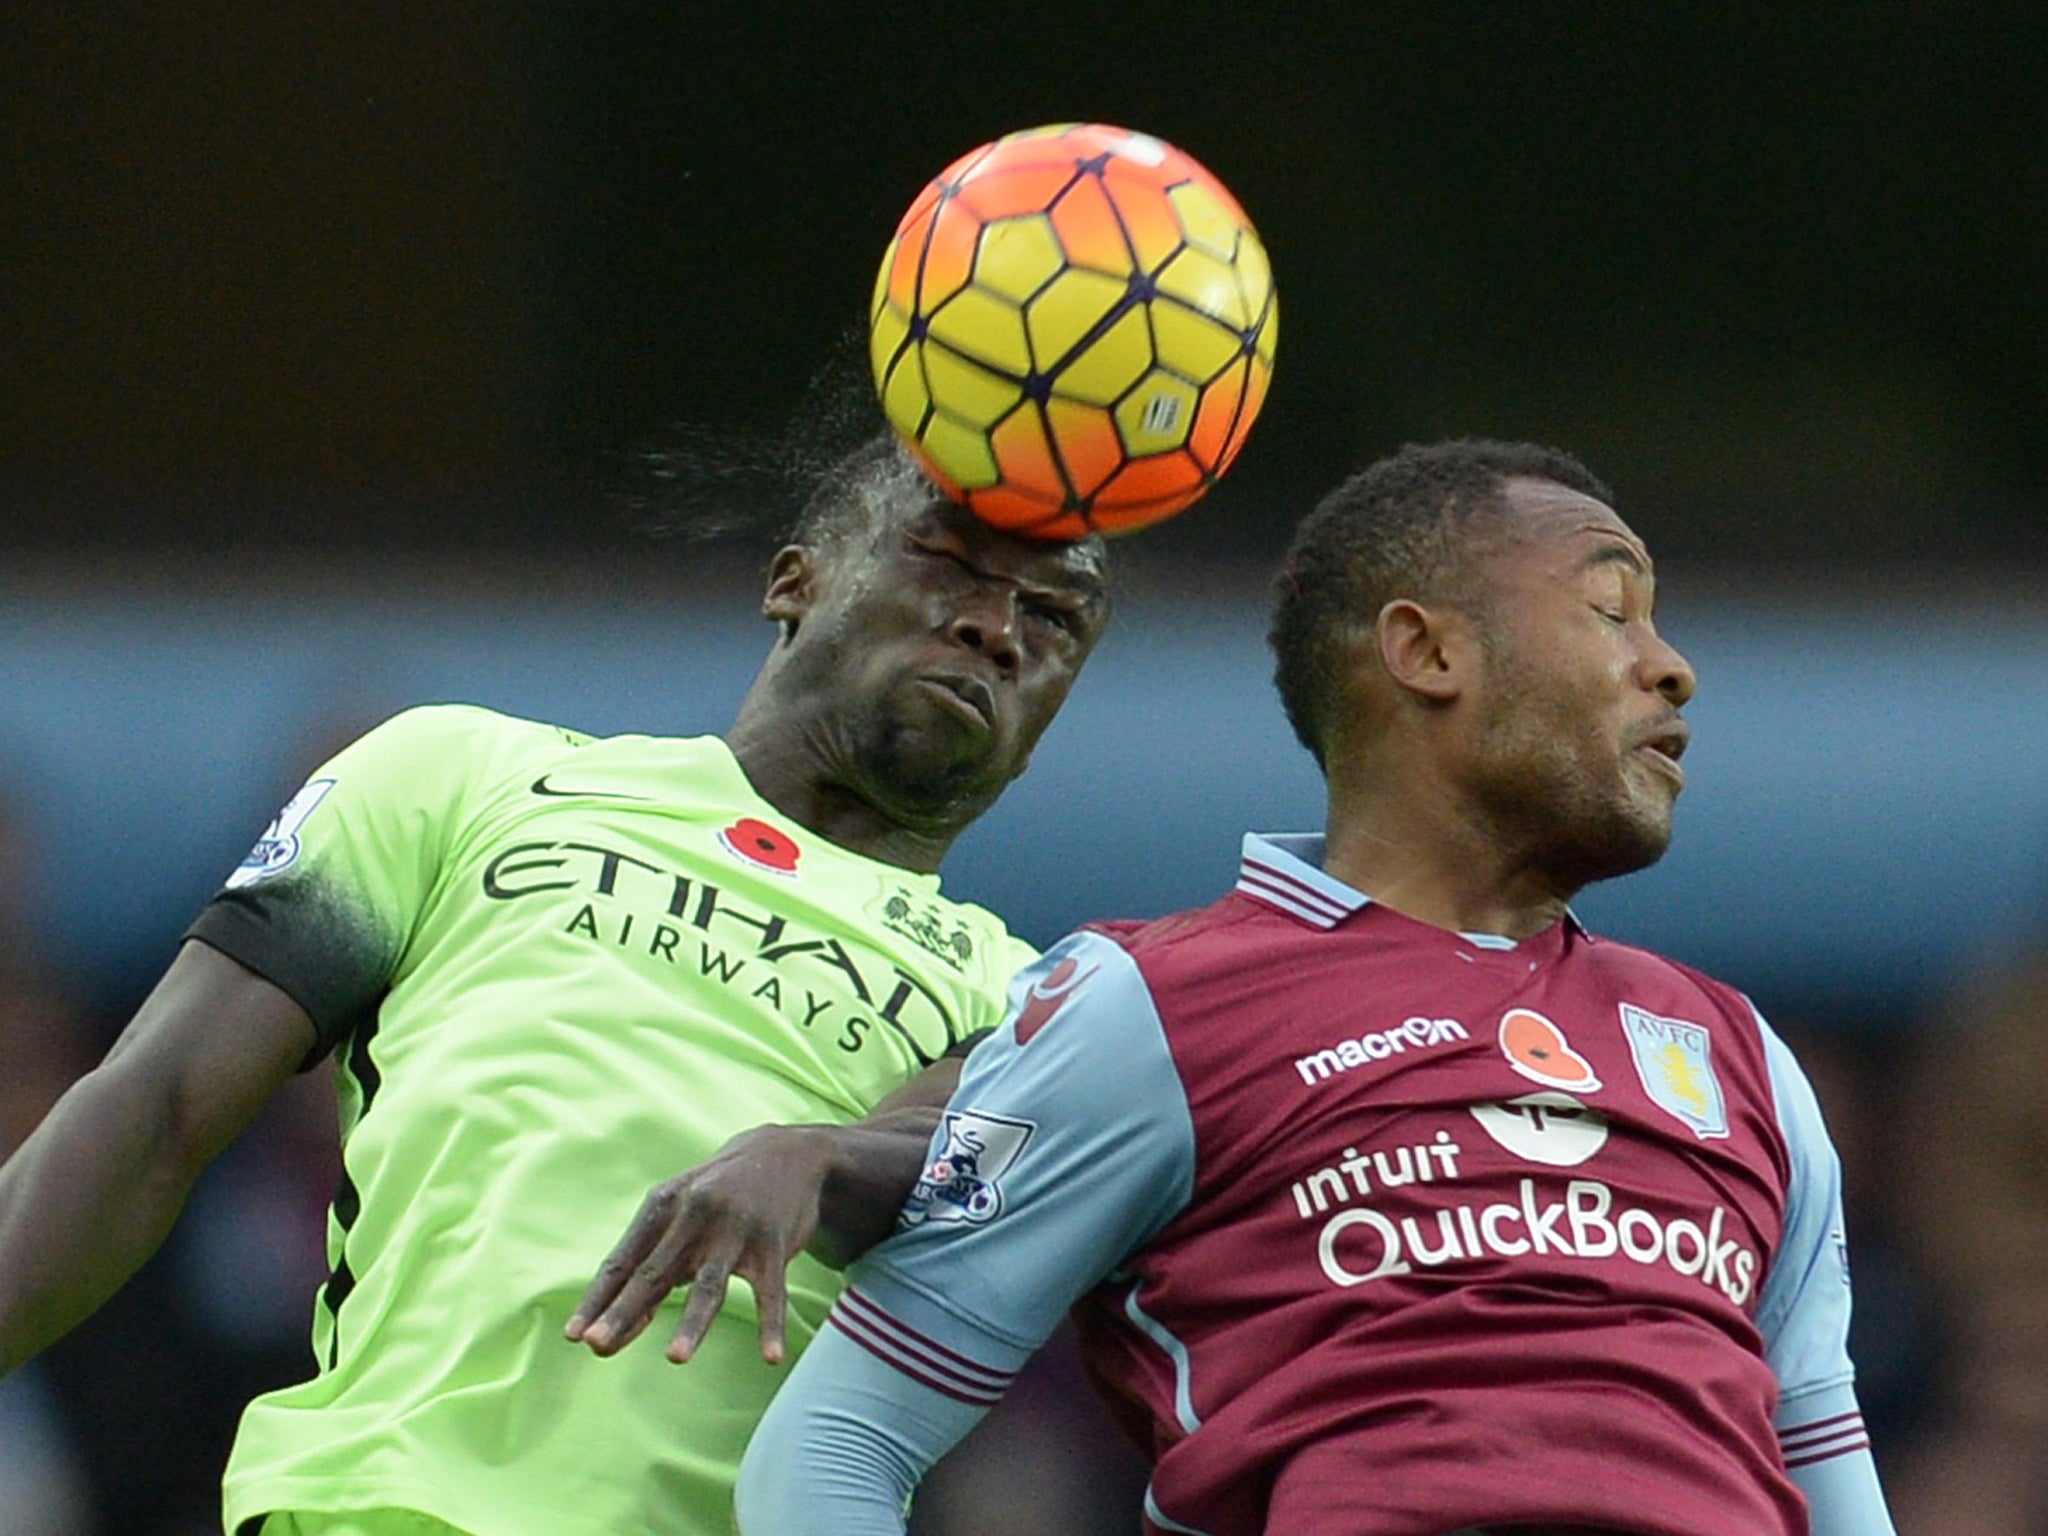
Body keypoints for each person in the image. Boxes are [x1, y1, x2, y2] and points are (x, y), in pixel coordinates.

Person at [727, 439, 1898, 1536]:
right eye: (1610, 612)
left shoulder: (1734, 1056)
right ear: (1426, 652)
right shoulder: (1152, 1007)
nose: (1670, 667)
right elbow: (835, 1446)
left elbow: (1835, 1493)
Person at [0, 432, 1113, 1536]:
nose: (994, 629)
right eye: (946, 567)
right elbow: (154, 1110)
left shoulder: (1019, 997)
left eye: (1053, 619)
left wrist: (815, 1155)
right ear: (794, 581)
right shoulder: (458, 777)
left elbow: (965, 1146)